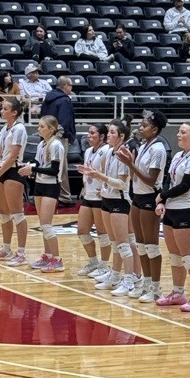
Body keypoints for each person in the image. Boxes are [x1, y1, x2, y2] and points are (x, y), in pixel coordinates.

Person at [77, 118, 136, 295]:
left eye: (112, 132)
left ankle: (130, 280)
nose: (108, 135)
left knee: (123, 244)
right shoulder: (109, 152)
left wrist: (99, 177)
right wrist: (100, 186)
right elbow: (105, 176)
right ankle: (115, 276)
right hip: (107, 199)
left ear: (121, 136)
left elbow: (122, 184)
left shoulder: (123, 153)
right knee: (114, 243)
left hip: (120, 201)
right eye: (108, 131)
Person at [155, 123, 190, 311]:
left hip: (187, 210)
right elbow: (168, 180)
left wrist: (162, 196)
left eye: (183, 132)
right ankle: (178, 293)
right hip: (171, 210)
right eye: (178, 131)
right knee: (175, 257)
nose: (178, 134)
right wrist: (162, 201)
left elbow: (185, 185)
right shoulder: (178, 155)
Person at [118, 110, 168, 303]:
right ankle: (146, 284)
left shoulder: (158, 149)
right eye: (140, 124)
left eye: (144, 126)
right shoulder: (145, 145)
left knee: (151, 246)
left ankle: (156, 288)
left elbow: (151, 180)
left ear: (154, 129)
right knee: (141, 245)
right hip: (137, 197)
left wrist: (130, 164)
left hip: (150, 197)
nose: (140, 128)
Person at [17, 115, 65, 273]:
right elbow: (38, 162)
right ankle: (48, 256)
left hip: (51, 186)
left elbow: (54, 170)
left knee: (46, 224)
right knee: (43, 224)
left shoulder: (56, 145)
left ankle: (57, 260)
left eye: (42, 126)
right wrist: (29, 165)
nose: (38, 129)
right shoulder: (42, 144)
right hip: (39, 184)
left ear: (51, 129)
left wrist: (33, 169)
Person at [0, 99, 29, 266]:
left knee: (17, 213)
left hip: (13, 171)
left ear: (14, 112)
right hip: (1, 171)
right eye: (1, 108)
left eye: (5, 109)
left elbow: (12, 157)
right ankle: (6, 249)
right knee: (3, 213)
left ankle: (22, 253)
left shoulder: (19, 129)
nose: (1, 111)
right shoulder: (4, 129)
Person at [75, 124, 113, 280]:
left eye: (92, 133)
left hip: (100, 197)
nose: (88, 136)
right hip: (88, 195)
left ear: (102, 136)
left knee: (102, 234)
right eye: (88, 133)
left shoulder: (107, 150)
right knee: (82, 231)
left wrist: (104, 189)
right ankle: (93, 262)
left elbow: (108, 173)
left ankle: (104, 266)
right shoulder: (88, 151)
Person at [40, 76, 76, 203]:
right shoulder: (65, 100)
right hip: (59, 138)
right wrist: (60, 137)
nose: (71, 88)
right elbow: (64, 122)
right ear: (65, 85)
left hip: (46, 137)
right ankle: (64, 196)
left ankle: (49, 193)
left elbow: (42, 118)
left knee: (48, 165)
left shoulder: (47, 98)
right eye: (70, 86)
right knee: (61, 166)